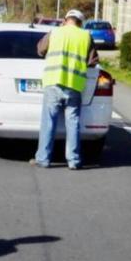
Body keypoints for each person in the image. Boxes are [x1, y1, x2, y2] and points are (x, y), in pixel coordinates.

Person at [30, 9, 99, 170]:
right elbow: (93, 61)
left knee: (49, 122)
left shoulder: (55, 33)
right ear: (80, 22)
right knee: (73, 123)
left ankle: (43, 159)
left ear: (65, 19)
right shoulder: (85, 36)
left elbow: (40, 49)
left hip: (54, 82)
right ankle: (74, 161)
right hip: (74, 85)